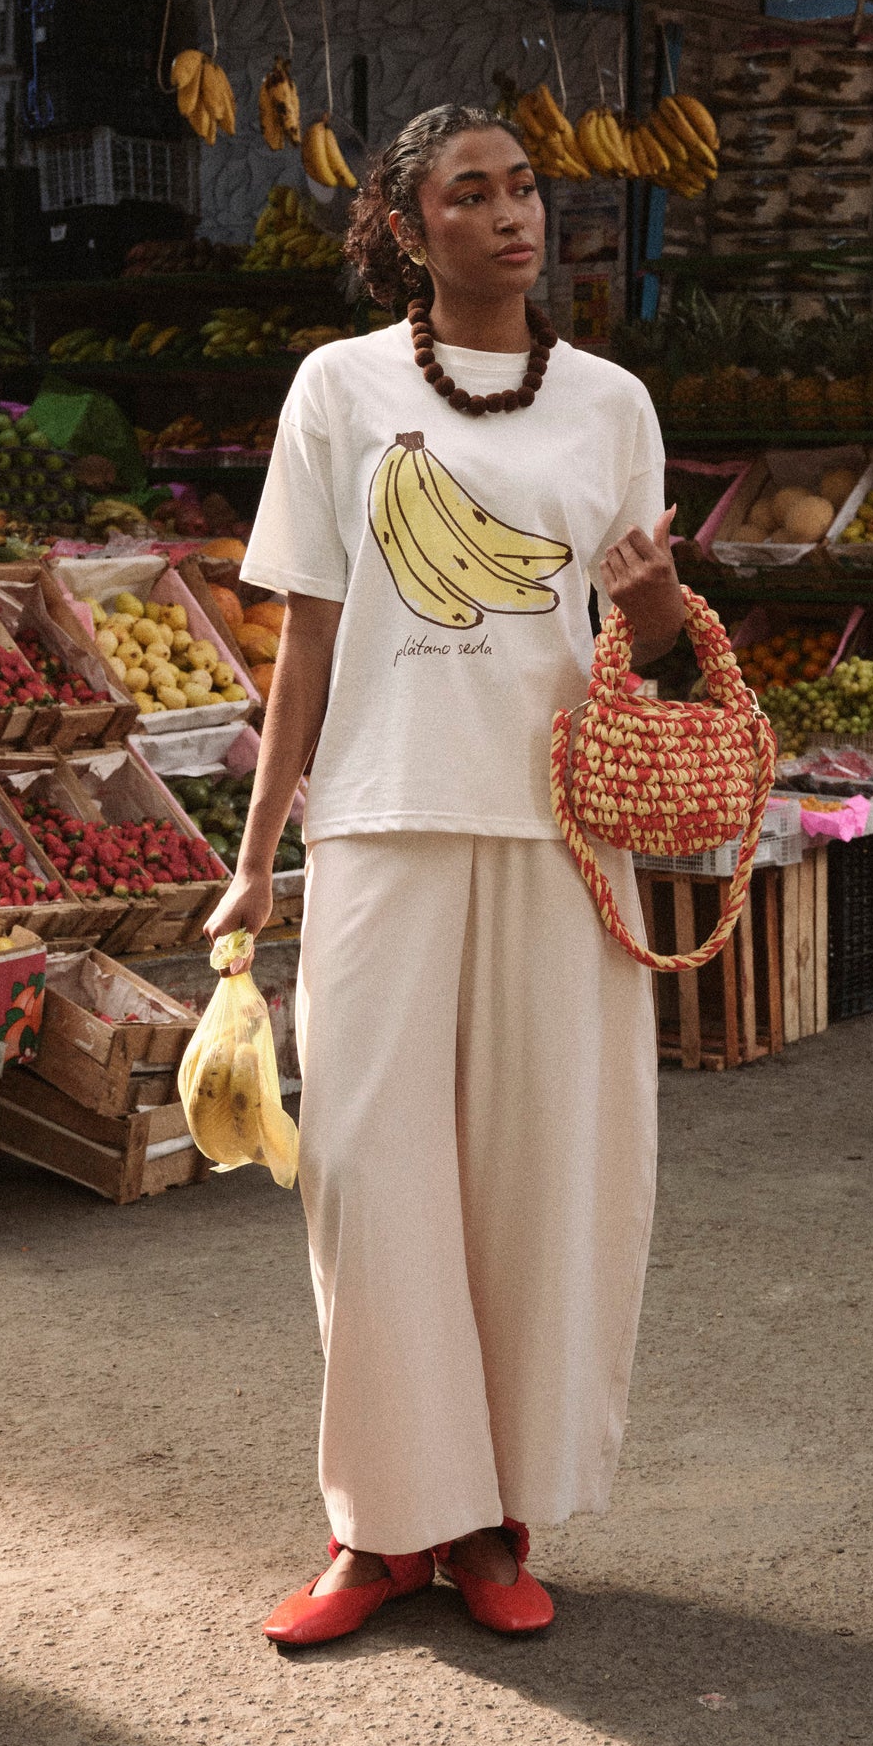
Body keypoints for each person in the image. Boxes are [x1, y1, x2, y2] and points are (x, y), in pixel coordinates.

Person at [205, 102, 682, 1646]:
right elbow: (309, 641)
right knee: (367, 1178)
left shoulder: (608, 403)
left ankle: (495, 1523)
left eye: (524, 186)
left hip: (560, 835)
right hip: (382, 820)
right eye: (468, 194)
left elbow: (647, 654)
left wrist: (664, 605)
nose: (509, 214)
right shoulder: (337, 388)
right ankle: (377, 1528)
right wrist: (258, 854)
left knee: (546, 1182)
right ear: (406, 228)